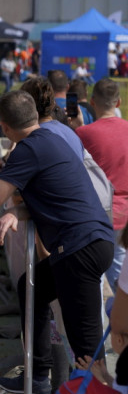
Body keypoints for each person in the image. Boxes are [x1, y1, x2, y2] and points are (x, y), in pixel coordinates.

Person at [0, 90, 115, 394]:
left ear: (4, 127)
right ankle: (39, 375)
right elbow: (55, 198)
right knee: (32, 289)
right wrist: (18, 211)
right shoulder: (52, 138)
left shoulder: (27, 149)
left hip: (79, 249)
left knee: (85, 344)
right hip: (91, 240)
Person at [75, 77, 128, 290]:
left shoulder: (83, 134)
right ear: (118, 103)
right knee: (119, 277)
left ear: (93, 102)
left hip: (97, 214)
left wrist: (79, 128)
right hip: (123, 213)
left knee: (94, 279)